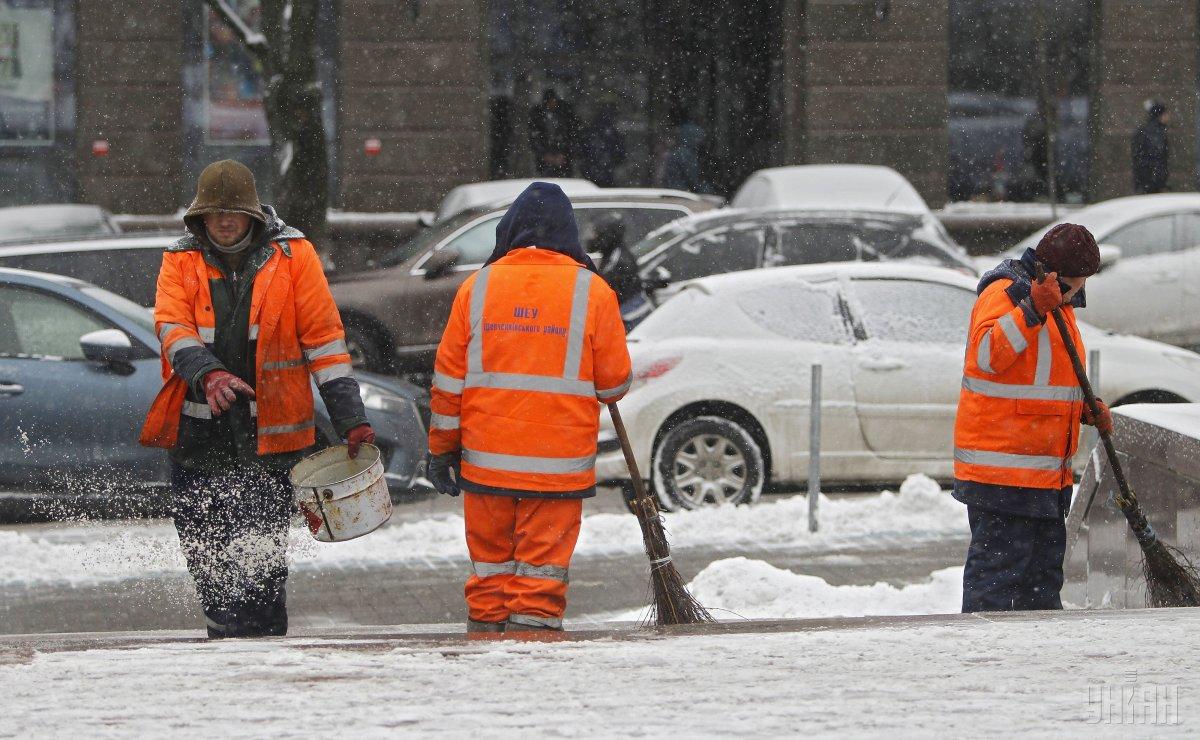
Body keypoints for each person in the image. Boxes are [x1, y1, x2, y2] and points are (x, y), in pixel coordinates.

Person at [140, 159, 374, 638]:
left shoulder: (294, 255)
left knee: (263, 557)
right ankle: (224, 640)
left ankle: (265, 643)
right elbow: (171, 325)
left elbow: (325, 341)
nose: (225, 221)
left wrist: (352, 418)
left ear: (253, 215)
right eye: (215, 213)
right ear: (199, 218)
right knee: (208, 553)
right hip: (199, 439)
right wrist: (208, 375)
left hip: (272, 438)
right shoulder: (179, 259)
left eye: (234, 212)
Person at [425, 182, 632, 634]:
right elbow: (615, 385)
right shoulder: (593, 293)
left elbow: (447, 383)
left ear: (509, 230)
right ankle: (532, 667)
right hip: (557, 469)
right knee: (539, 584)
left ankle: (484, 660)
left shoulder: (476, 289)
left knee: (489, 577)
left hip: (485, 465)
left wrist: (441, 449)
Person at [953, 223, 1113, 613]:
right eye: (1075, 285)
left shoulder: (1059, 303)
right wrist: (1031, 310)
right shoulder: (1005, 294)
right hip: (1004, 477)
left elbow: (1042, 380)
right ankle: (985, 662)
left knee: (1040, 590)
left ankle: (1037, 665)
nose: (1079, 294)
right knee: (995, 587)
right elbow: (988, 356)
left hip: (1044, 477)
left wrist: (1084, 407)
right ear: (1053, 275)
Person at [590, 214, 652, 330]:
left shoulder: (619, 260)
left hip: (632, 318)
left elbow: (608, 289)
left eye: (597, 234)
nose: (593, 238)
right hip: (627, 317)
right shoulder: (610, 255)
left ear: (608, 235)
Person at [529, 89, 580, 178]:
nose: (552, 104)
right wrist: (544, 154)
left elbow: (572, 135)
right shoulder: (538, 116)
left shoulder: (565, 114)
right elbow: (534, 138)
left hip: (563, 158)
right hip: (546, 159)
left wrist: (564, 154)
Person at [581, 102, 626, 187]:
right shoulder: (611, 131)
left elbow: (584, 149)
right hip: (604, 169)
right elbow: (619, 150)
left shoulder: (593, 129)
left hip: (595, 169)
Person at [1131, 99, 1170, 194]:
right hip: (1152, 185)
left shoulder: (1143, 131)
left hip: (1143, 183)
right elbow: (1157, 160)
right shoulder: (1156, 133)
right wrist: (1160, 184)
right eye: (1166, 113)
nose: (1168, 116)